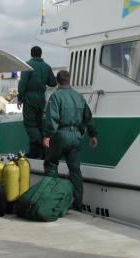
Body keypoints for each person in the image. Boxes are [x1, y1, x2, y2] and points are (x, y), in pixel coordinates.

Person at [43, 70, 98, 211]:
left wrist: (47, 136)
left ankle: (52, 201)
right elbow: (88, 117)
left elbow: (51, 118)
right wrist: (93, 135)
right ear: (69, 80)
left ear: (58, 82)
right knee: (75, 171)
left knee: (51, 164)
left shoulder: (55, 96)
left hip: (61, 135)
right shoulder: (79, 97)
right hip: (76, 136)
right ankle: (77, 203)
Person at [18, 46, 57, 159]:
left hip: (30, 97)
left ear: (31, 54)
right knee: (39, 124)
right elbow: (53, 83)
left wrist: (20, 98)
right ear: (41, 54)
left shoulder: (27, 66)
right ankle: (36, 152)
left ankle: (40, 148)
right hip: (41, 98)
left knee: (30, 124)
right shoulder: (47, 67)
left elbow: (22, 83)